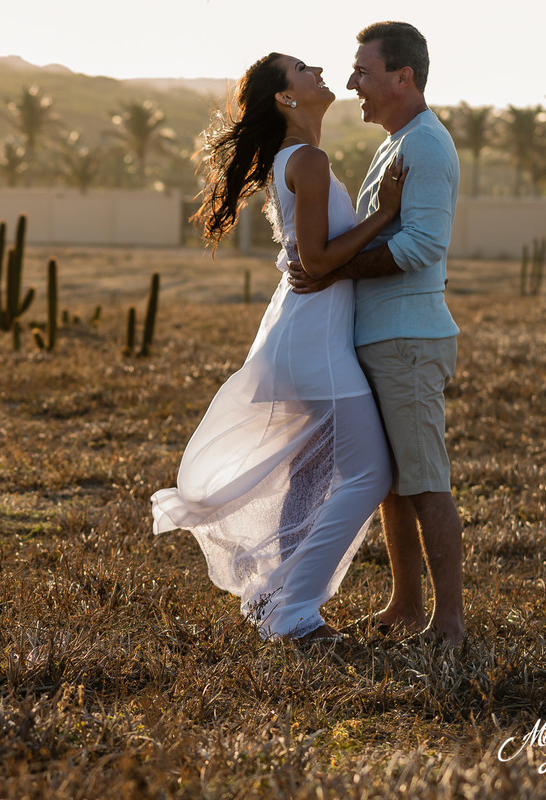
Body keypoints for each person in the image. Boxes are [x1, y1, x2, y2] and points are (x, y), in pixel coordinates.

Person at [151, 52, 406, 642]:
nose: (317, 69)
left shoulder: (299, 159)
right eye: (302, 69)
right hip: (314, 342)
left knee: (306, 478)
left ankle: (274, 599)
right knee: (369, 474)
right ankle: (293, 612)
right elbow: (316, 259)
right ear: (286, 99)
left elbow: (311, 257)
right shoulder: (308, 159)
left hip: (304, 336)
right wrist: (385, 215)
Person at [288, 21, 464, 645]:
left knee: (424, 478)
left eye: (363, 71)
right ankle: (405, 606)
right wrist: (331, 269)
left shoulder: (427, 147)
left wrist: (330, 269)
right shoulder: (395, 145)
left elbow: (421, 244)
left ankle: (449, 621)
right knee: (392, 484)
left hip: (408, 341)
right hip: (381, 338)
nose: (353, 82)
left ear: (402, 77)